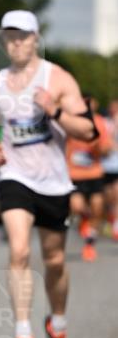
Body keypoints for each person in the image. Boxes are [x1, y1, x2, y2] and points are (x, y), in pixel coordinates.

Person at [0, 10, 98, 338]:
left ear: (35, 39)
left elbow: (89, 132)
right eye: (10, 37)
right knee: (18, 250)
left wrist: (56, 111)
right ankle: (23, 334)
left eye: (23, 36)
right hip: (15, 177)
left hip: (54, 182)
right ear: (4, 41)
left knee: (55, 261)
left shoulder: (57, 78)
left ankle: (57, 326)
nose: (16, 42)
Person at [66, 96, 111, 262]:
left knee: (98, 207)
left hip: (95, 173)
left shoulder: (99, 122)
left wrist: (98, 147)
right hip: (75, 174)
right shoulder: (70, 121)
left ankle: (89, 244)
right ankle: (84, 219)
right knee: (76, 206)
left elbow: (106, 147)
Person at [100, 99, 118, 241]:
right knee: (107, 196)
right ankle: (109, 218)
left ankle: (116, 224)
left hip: (117, 164)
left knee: (117, 193)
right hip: (105, 165)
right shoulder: (104, 122)